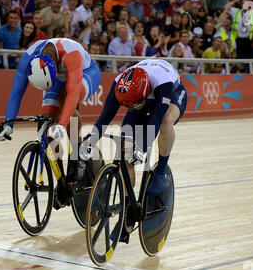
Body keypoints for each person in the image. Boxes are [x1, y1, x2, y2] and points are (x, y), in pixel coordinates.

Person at [79, 58, 188, 243]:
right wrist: (92, 141)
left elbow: (156, 118)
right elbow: (106, 116)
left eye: (133, 105)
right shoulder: (120, 85)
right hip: (139, 97)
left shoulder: (164, 83)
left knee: (165, 121)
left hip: (172, 94)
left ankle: (161, 170)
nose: (129, 108)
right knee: (125, 152)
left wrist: (143, 148)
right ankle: (128, 212)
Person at [0, 38, 101, 189]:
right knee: (47, 121)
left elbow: (73, 94)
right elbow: (16, 92)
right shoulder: (28, 59)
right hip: (57, 76)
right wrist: (8, 123)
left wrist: (63, 125)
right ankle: (61, 180)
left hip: (86, 72)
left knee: (64, 96)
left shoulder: (72, 54)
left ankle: (77, 154)